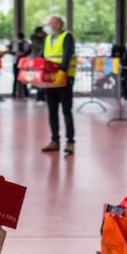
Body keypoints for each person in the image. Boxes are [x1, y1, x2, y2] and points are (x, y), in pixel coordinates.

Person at [40, 15, 77, 155]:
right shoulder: (48, 38)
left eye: (49, 23)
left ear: (58, 24)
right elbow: (42, 56)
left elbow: (67, 54)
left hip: (64, 78)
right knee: (52, 112)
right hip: (50, 80)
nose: (47, 25)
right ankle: (54, 141)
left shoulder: (67, 36)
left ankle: (70, 142)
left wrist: (62, 70)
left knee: (66, 111)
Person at [10, 31, 31, 98]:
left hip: (24, 62)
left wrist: (23, 53)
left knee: (24, 78)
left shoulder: (26, 43)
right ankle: (14, 93)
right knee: (16, 78)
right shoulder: (13, 42)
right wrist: (16, 53)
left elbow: (29, 51)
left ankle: (25, 93)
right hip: (16, 61)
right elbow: (10, 51)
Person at [29, 26, 46, 105]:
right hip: (37, 61)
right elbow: (42, 47)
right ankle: (40, 97)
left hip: (41, 61)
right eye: (42, 32)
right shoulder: (36, 40)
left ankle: (42, 96)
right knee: (39, 79)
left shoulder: (41, 39)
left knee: (41, 79)